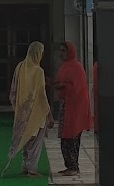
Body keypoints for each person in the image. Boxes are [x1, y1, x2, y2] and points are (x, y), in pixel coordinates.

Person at [8, 41, 53, 178]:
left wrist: (17, 107)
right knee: (36, 142)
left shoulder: (20, 67)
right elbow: (41, 95)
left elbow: (13, 91)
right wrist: (49, 114)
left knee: (26, 139)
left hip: (22, 111)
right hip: (36, 113)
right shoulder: (39, 71)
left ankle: (25, 166)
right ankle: (32, 169)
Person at [53, 42, 93, 177]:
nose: (61, 53)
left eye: (64, 50)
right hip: (66, 106)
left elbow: (78, 89)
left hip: (76, 108)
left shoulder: (77, 67)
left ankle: (74, 167)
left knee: (73, 137)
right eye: (60, 50)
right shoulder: (65, 67)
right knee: (65, 137)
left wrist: (63, 86)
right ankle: (69, 165)